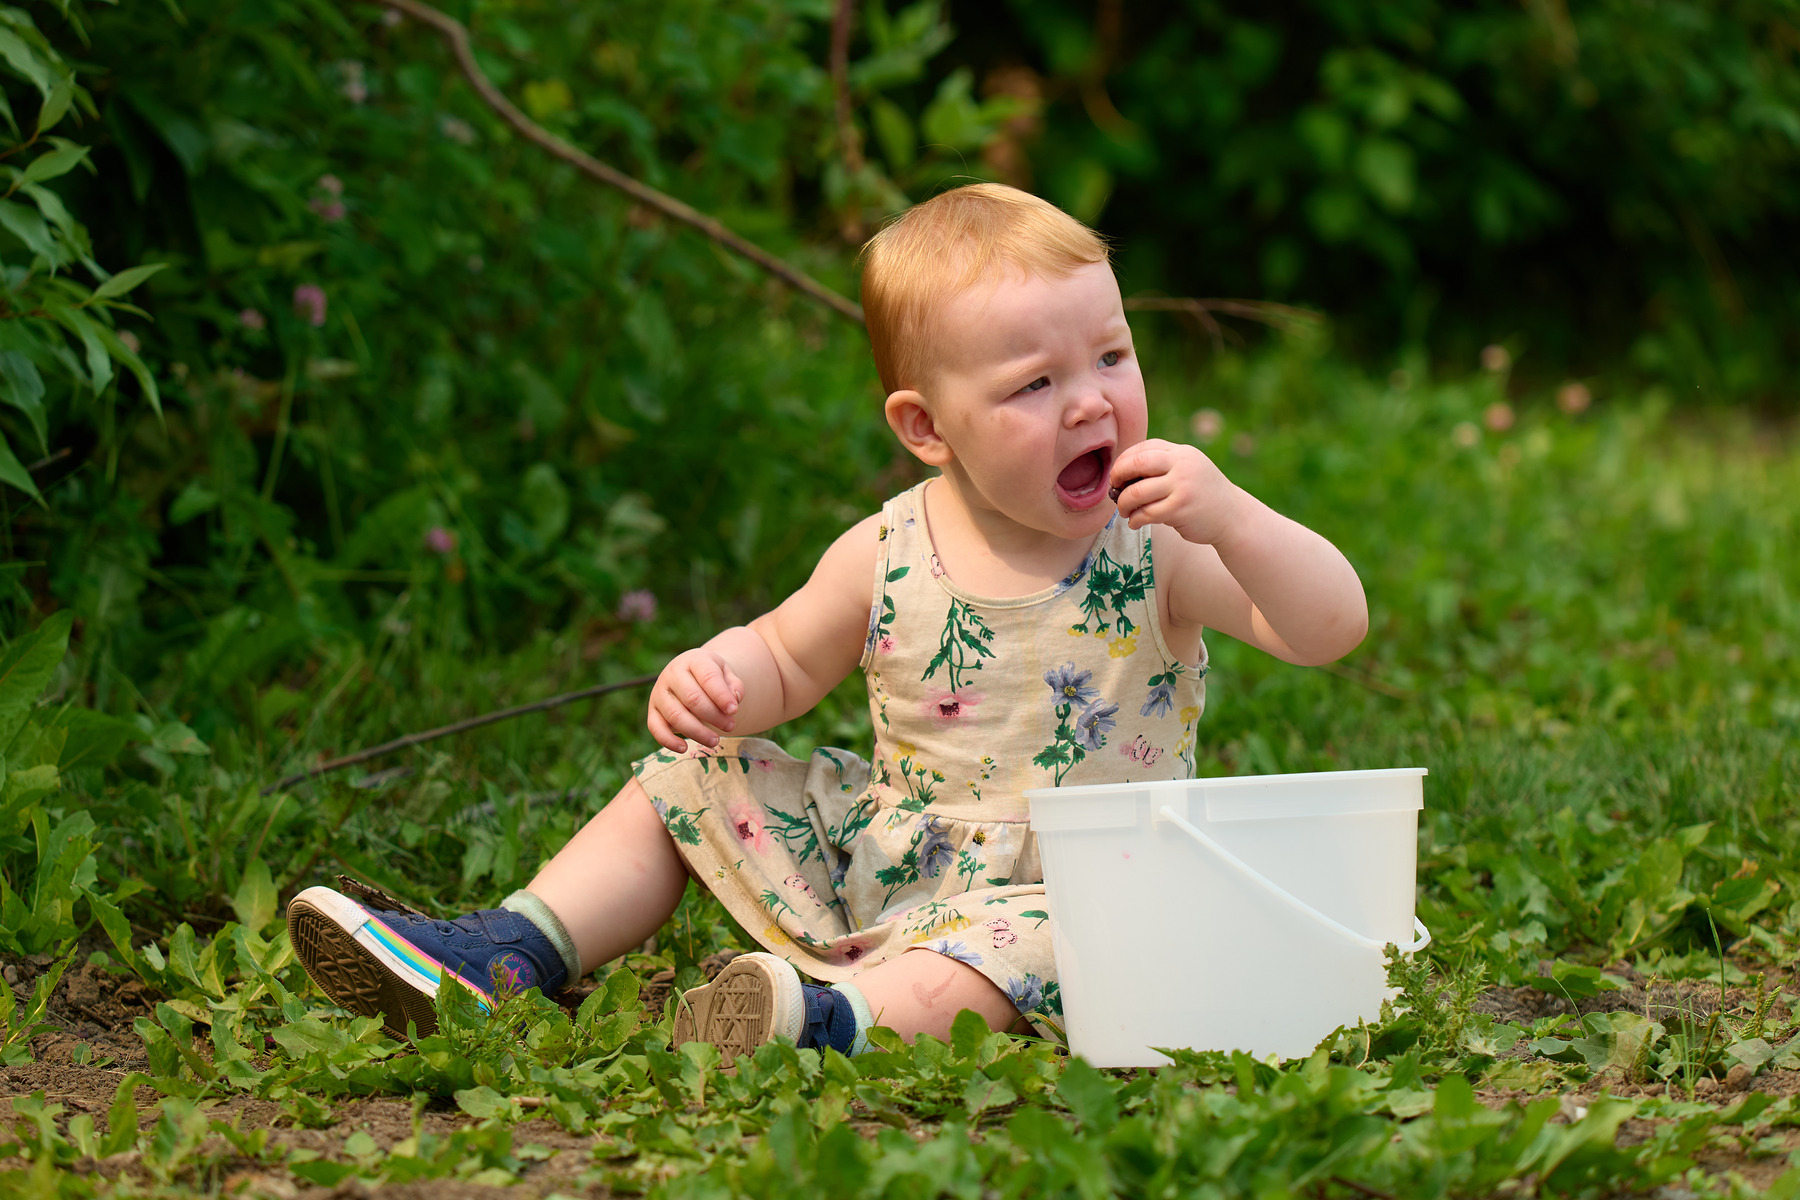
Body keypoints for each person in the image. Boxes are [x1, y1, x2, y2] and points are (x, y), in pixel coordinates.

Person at [286, 182, 1368, 1059]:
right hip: (889, 861)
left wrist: (1235, 513)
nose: (1091, 401)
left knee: (1014, 950)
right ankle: (514, 949)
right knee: (681, 784)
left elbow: (1329, 626)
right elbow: (782, 662)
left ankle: (827, 1028)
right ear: (927, 427)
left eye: (1112, 357)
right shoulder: (886, 551)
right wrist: (717, 679)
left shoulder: (1164, 546)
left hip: (1086, 896)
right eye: (1035, 383)